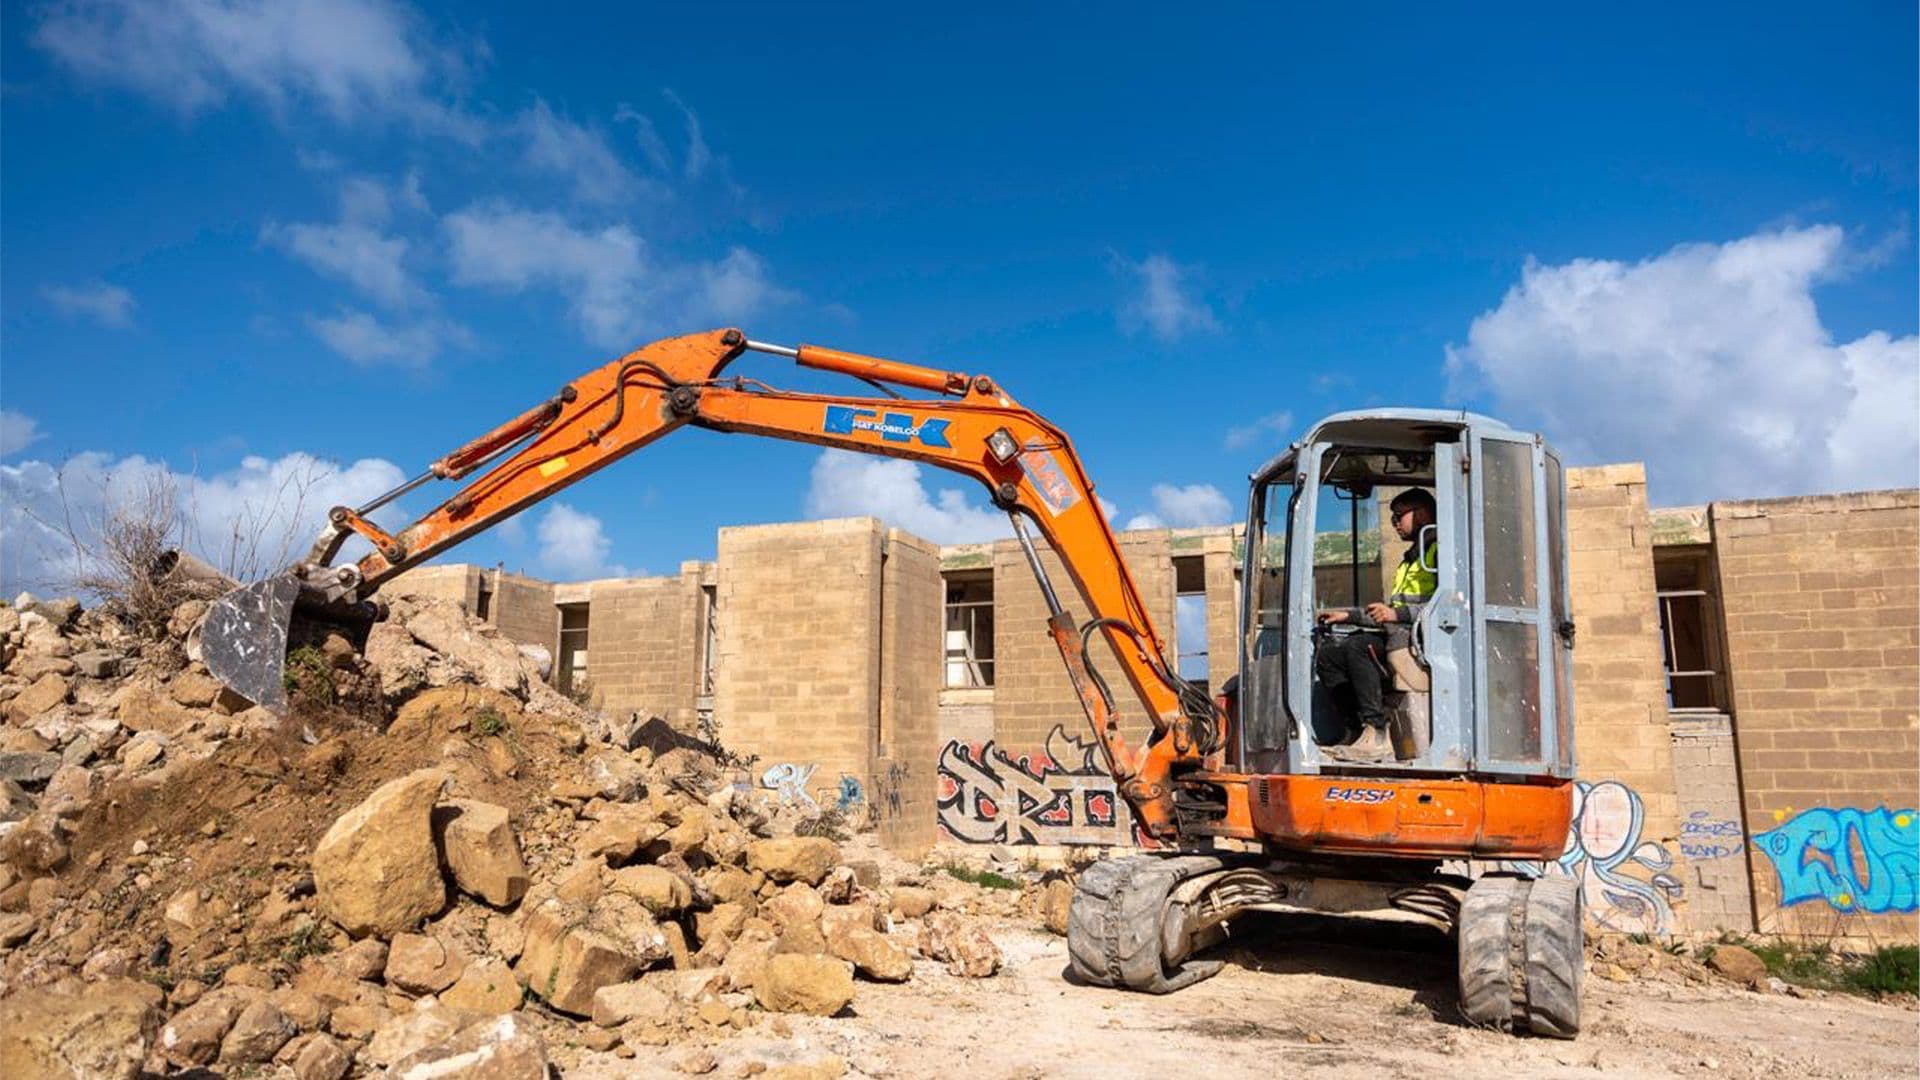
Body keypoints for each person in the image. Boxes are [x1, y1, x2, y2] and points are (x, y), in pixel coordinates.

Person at [1315, 488, 1438, 763]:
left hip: (1426, 642)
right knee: (1330, 657)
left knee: (1360, 647)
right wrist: (1349, 616)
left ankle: (1378, 732)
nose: (1395, 523)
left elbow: (1448, 605)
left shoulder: (1439, 551)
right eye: (1393, 518)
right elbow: (1390, 612)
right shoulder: (1410, 559)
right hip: (1401, 637)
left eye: (1399, 516)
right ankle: (1356, 731)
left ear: (1422, 514)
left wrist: (1397, 615)